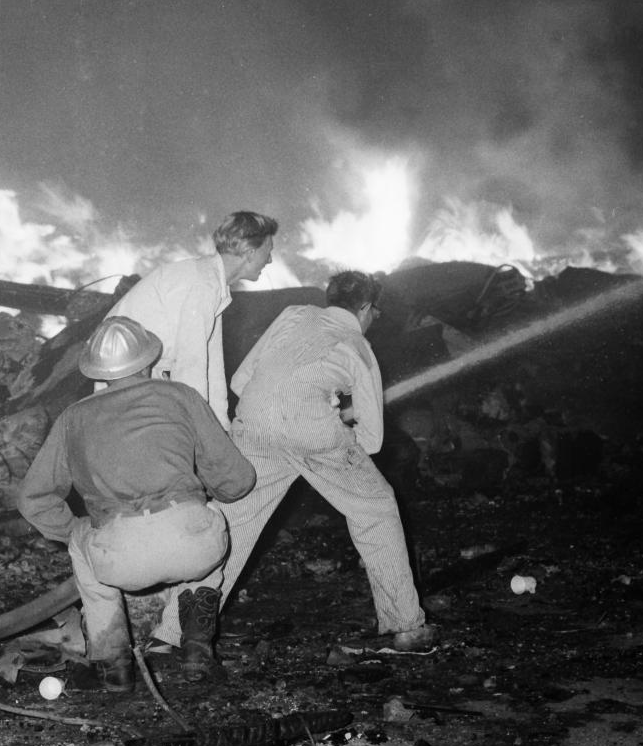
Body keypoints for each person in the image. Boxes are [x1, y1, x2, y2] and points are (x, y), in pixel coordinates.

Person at [152, 271, 437, 657]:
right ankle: (406, 628)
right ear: (368, 308)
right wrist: (339, 411)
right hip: (313, 432)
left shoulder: (293, 314)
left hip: (254, 421)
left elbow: (240, 381)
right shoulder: (359, 347)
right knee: (377, 509)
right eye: (376, 312)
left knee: (231, 526)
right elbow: (372, 440)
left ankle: (171, 634)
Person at [15, 316, 256, 692]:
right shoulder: (181, 396)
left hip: (120, 558)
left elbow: (33, 497)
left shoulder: (73, 418)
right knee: (211, 518)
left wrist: (75, 531)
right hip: (193, 548)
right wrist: (200, 497)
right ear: (148, 361)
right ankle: (196, 649)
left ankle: (115, 667)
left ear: (99, 373)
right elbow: (237, 480)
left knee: (82, 545)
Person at [105, 210, 277, 429]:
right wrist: (203, 435)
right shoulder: (202, 284)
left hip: (144, 373)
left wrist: (221, 427)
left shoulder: (213, 282)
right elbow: (190, 369)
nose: (270, 260)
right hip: (121, 372)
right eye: (268, 251)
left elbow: (211, 368)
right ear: (250, 251)